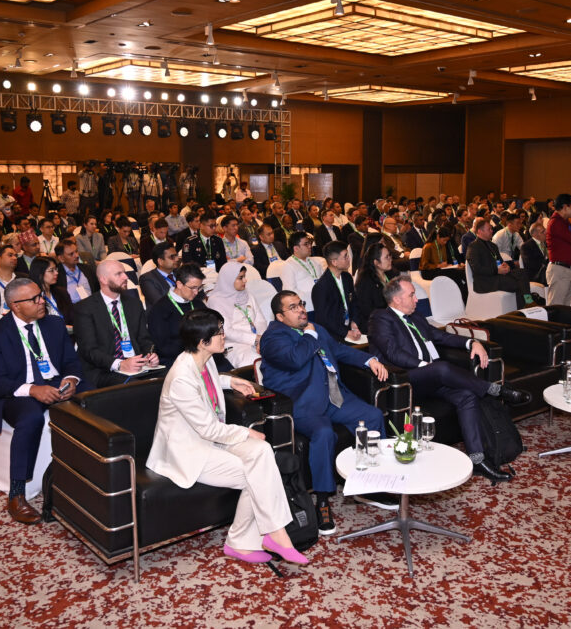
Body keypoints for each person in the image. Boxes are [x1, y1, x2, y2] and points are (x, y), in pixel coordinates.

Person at [147, 309, 307, 565]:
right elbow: (208, 429)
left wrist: (230, 382)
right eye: (219, 332)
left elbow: (207, 380)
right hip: (190, 451)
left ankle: (263, 537)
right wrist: (246, 432)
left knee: (262, 452)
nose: (224, 336)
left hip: (212, 440)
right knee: (258, 474)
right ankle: (258, 538)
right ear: (203, 341)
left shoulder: (202, 358)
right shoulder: (180, 379)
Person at [368, 276, 527, 483]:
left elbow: (441, 336)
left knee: (467, 396)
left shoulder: (416, 317)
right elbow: (393, 352)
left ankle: (478, 460)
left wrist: (472, 342)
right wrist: (426, 366)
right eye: (412, 295)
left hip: (432, 378)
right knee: (441, 367)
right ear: (397, 299)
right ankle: (496, 390)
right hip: (406, 380)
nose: (417, 299)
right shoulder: (380, 318)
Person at [259, 290, 389, 535]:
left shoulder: (315, 328)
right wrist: (310, 335)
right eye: (293, 307)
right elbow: (295, 359)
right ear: (279, 316)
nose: (301, 309)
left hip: (333, 397)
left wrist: (369, 360)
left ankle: (368, 484)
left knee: (372, 417)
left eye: (301, 304)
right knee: (323, 433)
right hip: (302, 403)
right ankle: (322, 500)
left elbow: (339, 350)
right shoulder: (272, 338)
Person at [0, 278, 87, 524]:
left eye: (41, 296)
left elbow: (72, 362)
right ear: (15, 306)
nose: (42, 301)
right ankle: (17, 494)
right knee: (31, 418)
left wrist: (71, 380)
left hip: (56, 384)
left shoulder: (54, 324)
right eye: (35, 299)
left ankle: (91, 475)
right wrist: (33, 390)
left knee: (95, 397)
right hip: (16, 393)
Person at [73, 259, 157, 388]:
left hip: (136, 365)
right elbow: (89, 350)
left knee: (168, 376)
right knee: (137, 387)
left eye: (124, 272)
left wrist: (150, 355)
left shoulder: (134, 304)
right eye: (119, 274)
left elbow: (144, 339)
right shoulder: (85, 308)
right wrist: (120, 364)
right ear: (103, 279)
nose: (126, 277)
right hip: (105, 369)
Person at [146, 263, 208, 365]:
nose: (196, 292)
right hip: (177, 361)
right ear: (179, 284)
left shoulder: (198, 304)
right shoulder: (160, 310)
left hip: (204, 356)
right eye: (193, 288)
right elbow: (163, 347)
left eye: (199, 287)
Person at [206, 262, 266, 368]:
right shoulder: (216, 301)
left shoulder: (247, 294)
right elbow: (227, 331)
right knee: (254, 361)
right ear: (229, 279)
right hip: (234, 345)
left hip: (259, 340)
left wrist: (261, 339)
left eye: (244, 276)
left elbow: (260, 320)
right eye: (240, 278)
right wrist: (255, 339)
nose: (245, 280)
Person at [467, 217, 532, 308]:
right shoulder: (473, 247)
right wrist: (497, 270)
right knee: (517, 283)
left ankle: (529, 302)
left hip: (498, 275)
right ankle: (525, 306)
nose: (491, 231)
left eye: (491, 229)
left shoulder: (492, 245)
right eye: (489, 229)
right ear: (480, 231)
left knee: (522, 272)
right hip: (485, 281)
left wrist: (506, 266)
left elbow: (501, 262)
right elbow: (477, 269)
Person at [311, 241, 361, 343]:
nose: (349, 259)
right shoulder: (321, 286)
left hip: (349, 327)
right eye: (345, 256)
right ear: (334, 262)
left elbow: (354, 302)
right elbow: (324, 319)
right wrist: (345, 333)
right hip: (333, 335)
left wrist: (354, 322)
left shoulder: (347, 277)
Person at [545, 193, 571, 306]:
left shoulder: (564, 222)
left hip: (567, 269)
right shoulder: (555, 222)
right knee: (556, 306)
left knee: (565, 308)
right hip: (560, 270)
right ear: (565, 207)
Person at [353, 242, 396, 332]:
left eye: (390, 255)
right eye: (386, 257)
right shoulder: (365, 281)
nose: (390, 259)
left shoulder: (390, 274)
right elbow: (367, 311)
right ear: (376, 263)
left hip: (392, 317)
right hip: (375, 323)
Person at [279, 233, 321, 319]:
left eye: (310, 243)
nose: (310, 246)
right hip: (306, 308)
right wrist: (314, 296)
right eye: (306, 244)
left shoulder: (316, 262)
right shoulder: (288, 265)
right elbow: (290, 292)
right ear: (296, 248)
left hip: (322, 303)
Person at [420, 224, 467, 298]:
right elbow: (424, 265)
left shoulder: (443, 246)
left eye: (447, 241)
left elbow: (443, 261)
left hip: (440, 269)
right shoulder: (428, 246)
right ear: (438, 236)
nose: (445, 242)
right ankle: (462, 296)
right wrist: (438, 265)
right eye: (444, 240)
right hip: (428, 272)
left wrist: (448, 265)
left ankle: (465, 294)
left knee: (459, 272)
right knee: (453, 274)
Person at [28, 255, 74, 326]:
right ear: (40, 274)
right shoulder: (32, 298)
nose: (56, 273)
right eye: (51, 270)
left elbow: (72, 316)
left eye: (56, 269)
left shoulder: (62, 292)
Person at [55, 239, 99, 304]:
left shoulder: (86, 269)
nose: (77, 255)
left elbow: (97, 289)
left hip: (92, 305)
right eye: (71, 254)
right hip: (72, 308)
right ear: (61, 258)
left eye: (76, 251)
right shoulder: (56, 275)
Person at [139, 242, 181, 307]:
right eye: (172, 257)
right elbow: (161, 304)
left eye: (176, 255)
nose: (177, 259)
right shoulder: (147, 279)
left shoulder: (181, 272)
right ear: (160, 261)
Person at [520, 220, 548, 285]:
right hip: (537, 276)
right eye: (542, 232)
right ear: (535, 235)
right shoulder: (526, 246)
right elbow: (531, 264)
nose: (546, 233)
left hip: (547, 272)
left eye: (545, 230)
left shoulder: (546, 243)